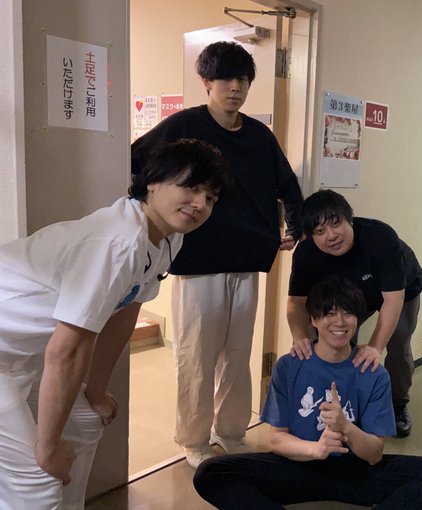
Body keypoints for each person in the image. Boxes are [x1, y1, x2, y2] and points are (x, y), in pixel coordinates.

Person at [0, 139, 230, 509]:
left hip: (21, 354)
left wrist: (96, 392)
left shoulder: (167, 239)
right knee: (37, 480)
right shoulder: (118, 242)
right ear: (153, 181)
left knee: (87, 421)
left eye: (211, 197)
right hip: (9, 355)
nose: (200, 204)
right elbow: (67, 350)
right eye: (191, 187)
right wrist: (48, 447)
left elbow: (124, 315)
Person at [131, 41, 303, 468]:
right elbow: (136, 161)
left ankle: (230, 431)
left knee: (238, 355)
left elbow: (288, 183)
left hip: (247, 260)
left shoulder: (259, 135)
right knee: (196, 356)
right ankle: (193, 439)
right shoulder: (184, 125)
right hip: (198, 262)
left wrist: (296, 226)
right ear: (206, 82)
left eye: (243, 79)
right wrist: (149, 220)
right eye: (226, 78)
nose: (236, 88)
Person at [193, 276, 422, 510]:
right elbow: (277, 440)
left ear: (357, 319)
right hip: (298, 465)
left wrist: (346, 427)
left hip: (354, 471)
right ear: (314, 320)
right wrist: (316, 449)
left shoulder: (373, 373)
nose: (339, 322)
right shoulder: (289, 366)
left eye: (348, 313)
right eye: (329, 314)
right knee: (211, 473)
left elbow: (374, 454)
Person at [287, 190, 422, 437]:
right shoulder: (306, 254)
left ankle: (398, 403)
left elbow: (393, 299)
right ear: (310, 236)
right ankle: (343, 404)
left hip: (398, 291)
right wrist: (300, 338)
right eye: (320, 231)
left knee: (398, 342)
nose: (331, 236)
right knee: (337, 344)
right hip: (347, 296)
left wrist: (374, 347)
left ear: (349, 218)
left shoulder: (380, 238)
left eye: (335, 224)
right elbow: (297, 303)